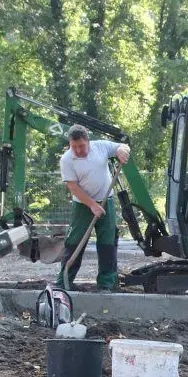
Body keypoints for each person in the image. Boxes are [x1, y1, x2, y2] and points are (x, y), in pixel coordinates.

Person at [56, 124, 131, 291]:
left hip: (106, 202)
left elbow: (122, 146)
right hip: (82, 205)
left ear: (88, 141)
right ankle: (63, 283)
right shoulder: (67, 160)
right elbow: (73, 186)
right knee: (74, 242)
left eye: (81, 146)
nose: (78, 150)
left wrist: (121, 150)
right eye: (74, 147)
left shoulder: (101, 147)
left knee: (107, 242)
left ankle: (107, 284)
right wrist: (92, 205)